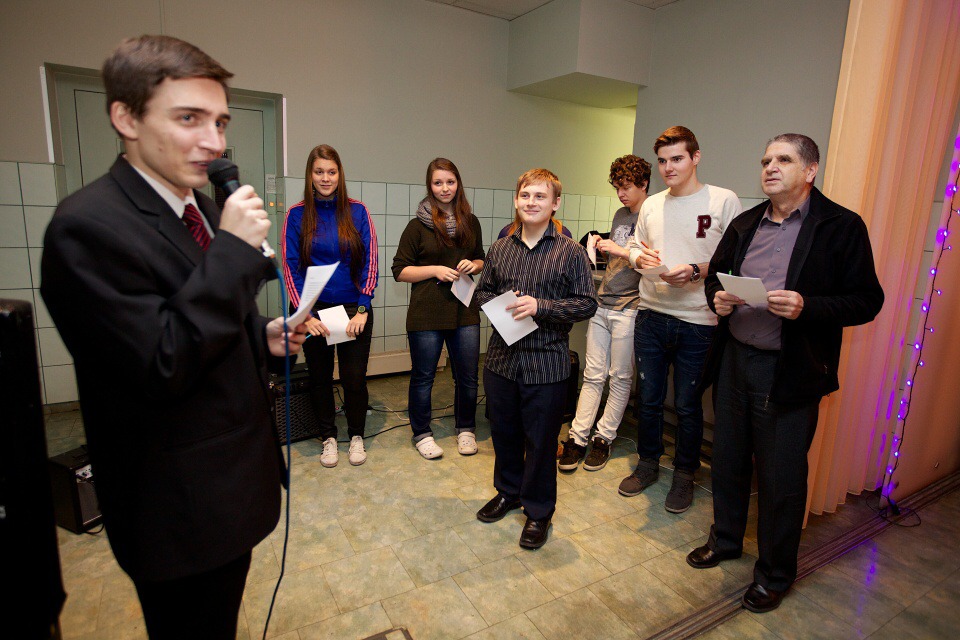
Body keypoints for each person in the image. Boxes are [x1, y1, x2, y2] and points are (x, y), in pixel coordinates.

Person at [39, 35, 307, 639]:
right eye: (189, 119)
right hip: (176, 508)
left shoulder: (203, 212)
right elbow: (158, 363)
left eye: (220, 122)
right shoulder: (86, 228)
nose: (214, 143)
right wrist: (233, 251)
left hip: (231, 485)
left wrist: (261, 335)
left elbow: (206, 316)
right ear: (126, 118)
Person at [686, 134, 883, 613]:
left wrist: (807, 306)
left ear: (810, 171)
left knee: (781, 476)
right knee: (728, 459)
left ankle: (775, 573)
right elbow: (716, 277)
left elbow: (867, 300)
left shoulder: (840, 226)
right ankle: (726, 539)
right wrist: (718, 297)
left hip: (789, 370)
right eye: (766, 160)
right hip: (735, 361)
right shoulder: (746, 223)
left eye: (783, 159)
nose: (770, 167)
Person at [620, 126, 742, 513]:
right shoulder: (652, 205)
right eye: (662, 161)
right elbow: (634, 246)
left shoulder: (723, 200)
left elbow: (734, 259)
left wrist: (695, 270)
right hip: (651, 314)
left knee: (688, 404)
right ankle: (647, 464)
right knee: (649, 399)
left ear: (695, 157)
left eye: (677, 158)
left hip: (699, 320)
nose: (668, 167)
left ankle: (685, 473)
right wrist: (640, 258)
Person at [475, 168, 597, 549]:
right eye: (525, 195)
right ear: (516, 200)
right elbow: (482, 294)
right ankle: (508, 492)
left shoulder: (571, 252)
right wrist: (501, 304)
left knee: (541, 442)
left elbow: (587, 303)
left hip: (546, 363)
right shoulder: (500, 249)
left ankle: (539, 511)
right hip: (501, 361)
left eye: (540, 196)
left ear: (555, 203)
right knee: (504, 434)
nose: (531, 202)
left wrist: (540, 306)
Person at [281, 144, 378, 468]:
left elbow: (370, 261)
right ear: (310, 175)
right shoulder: (296, 215)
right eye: (319, 171)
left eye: (331, 172)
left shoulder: (358, 211)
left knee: (354, 378)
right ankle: (328, 438)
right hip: (315, 312)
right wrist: (305, 316)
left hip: (353, 310)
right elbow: (290, 268)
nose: (326, 178)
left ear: (340, 175)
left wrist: (362, 309)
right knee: (320, 378)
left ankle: (356, 435)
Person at [558, 154, 651, 472]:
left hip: (630, 307)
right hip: (603, 303)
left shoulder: (653, 215)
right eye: (617, 187)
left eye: (627, 187)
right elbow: (618, 260)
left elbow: (653, 262)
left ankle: (604, 438)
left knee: (620, 377)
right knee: (593, 374)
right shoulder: (620, 214)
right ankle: (578, 437)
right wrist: (601, 244)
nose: (621, 194)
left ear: (643, 184)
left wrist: (619, 249)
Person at [392, 158, 485, 459]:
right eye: (438, 183)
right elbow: (399, 270)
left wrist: (473, 265)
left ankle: (466, 429)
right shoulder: (416, 226)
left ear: (458, 184)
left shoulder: (471, 222)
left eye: (450, 182)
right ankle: (422, 433)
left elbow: (481, 258)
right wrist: (434, 270)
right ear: (429, 186)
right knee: (424, 377)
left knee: (468, 376)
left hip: (464, 310)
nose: (445, 188)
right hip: (426, 313)